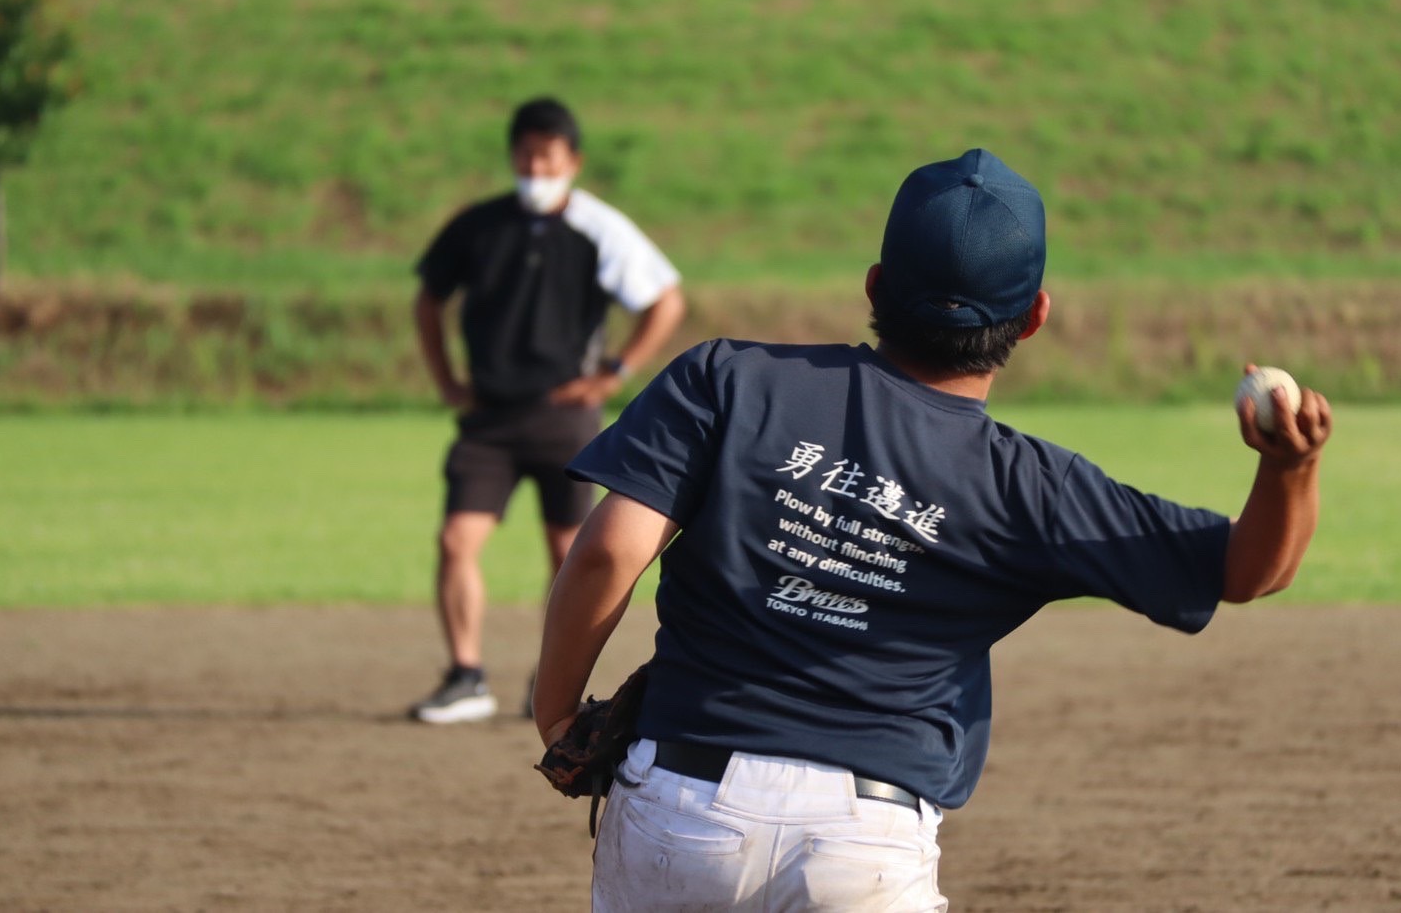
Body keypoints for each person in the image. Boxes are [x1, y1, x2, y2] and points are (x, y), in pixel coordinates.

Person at [534, 148, 1332, 909]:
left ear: (876, 286)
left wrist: (558, 712)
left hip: (681, 803)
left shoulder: (730, 381)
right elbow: (1245, 571)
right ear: (1033, 318)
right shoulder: (1032, 487)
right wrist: (1289, 468)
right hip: (863, 843)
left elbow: (609, 550)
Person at [408, 97, 685, 724]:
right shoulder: (478, 226)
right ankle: (466, 675)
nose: (536, 167)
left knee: (568, 552)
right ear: (512, 156)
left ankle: (549, 677)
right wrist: (448, 380)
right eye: (526, 155)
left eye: (548, 156)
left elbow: (665, 300)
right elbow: (428, 298)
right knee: (457, 540)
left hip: (563, 416)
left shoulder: (598, 228)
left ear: (573, 161)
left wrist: (613, 372)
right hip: (488, 418)